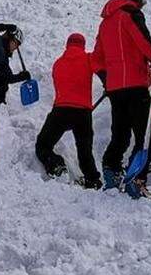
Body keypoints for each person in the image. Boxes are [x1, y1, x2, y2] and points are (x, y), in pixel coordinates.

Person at [91, 0, 151, 190]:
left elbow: (96, 59)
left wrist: (107, 79)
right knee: (142, 135)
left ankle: (111, 170)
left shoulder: (105, 23)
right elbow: (144, 41)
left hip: (116, 89)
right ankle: (136, 179)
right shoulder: (131, 14)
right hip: (136, 85)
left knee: (120, 134)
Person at [34, 33, 101, 189]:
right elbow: (102, 70)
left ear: (67, 45)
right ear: (82, 45)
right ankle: (93, 181)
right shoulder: (88, 59)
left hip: (61, 111)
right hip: (83, 113)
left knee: (43, 145)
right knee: (85, 151)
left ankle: (56, 165)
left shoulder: (58, 63)